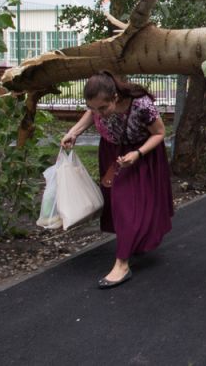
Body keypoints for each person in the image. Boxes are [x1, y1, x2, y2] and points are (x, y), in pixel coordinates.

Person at [61, 71, 174, 289]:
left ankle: (121, 264)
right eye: (94, 108)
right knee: (118, 205)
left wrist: (138, 154)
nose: (98, 114)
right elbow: (90, 114)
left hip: (140, 155)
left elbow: (160, 133)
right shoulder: (98, 106)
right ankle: (133, 241)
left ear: (115, 97)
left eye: (103, 108)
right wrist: (74, 132)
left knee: (126, 205)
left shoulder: (141, 104)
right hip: (111, 154)